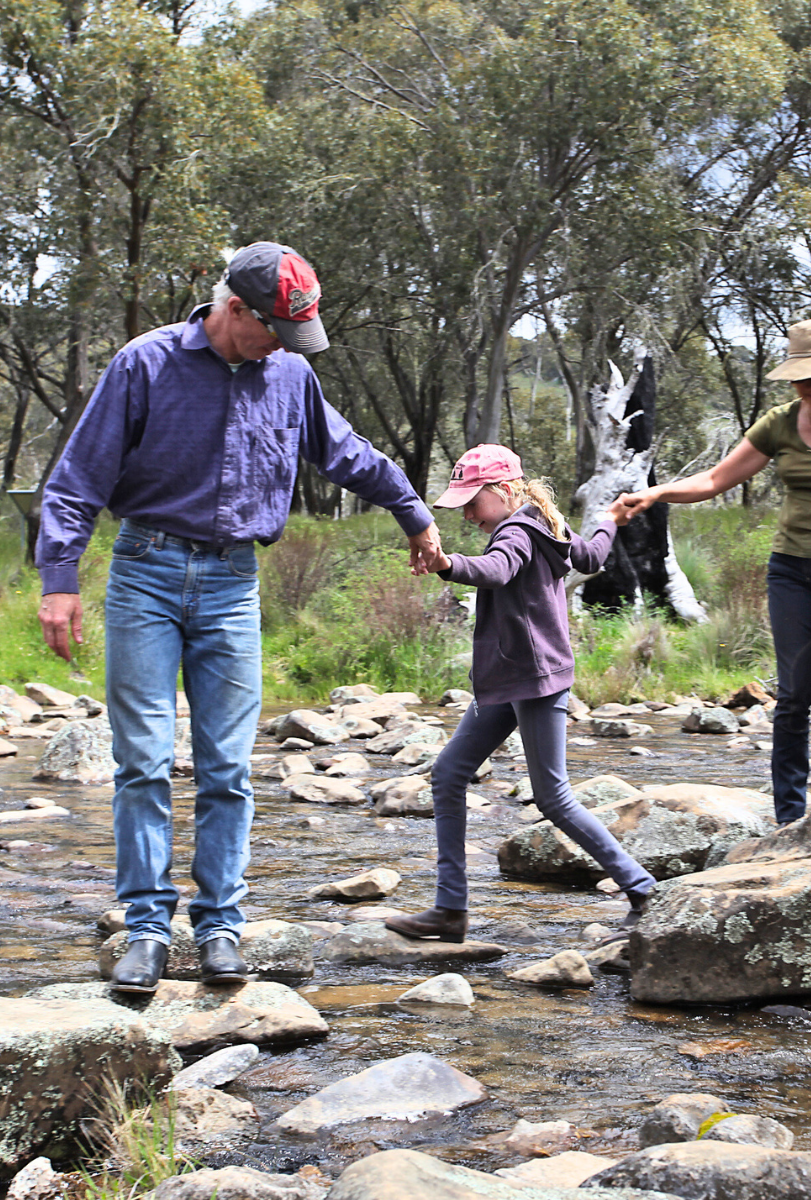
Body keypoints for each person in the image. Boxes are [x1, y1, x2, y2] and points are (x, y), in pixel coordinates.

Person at [36, 242, 442, 993]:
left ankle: (220, 923)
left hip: (232, 582)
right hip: (145, 573)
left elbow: (345, 452)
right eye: (274, 331)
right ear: (235, 311)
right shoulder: (144, 364)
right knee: (144, 762)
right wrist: (59, 578)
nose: (284, 347)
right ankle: (147, 929)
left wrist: (412, 512)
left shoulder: (289, 373)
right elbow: (76, 479)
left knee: (227, 766)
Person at [617, 319, 811, 825]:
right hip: (791, 570)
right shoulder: (779, 423)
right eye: (799, 378)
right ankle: (789, 817)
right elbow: (717, 479)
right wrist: (657, 493)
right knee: (792, 695)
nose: (807, 387)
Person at [386, 445, 657, 943]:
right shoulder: (546, 524)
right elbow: (593, 556)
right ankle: (450, 910)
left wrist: (447, 563)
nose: (467, 513)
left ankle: (642, 888)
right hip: (510, 678)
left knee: (553, 798)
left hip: (533, 681)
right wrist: (610, 518)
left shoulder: (515, 531)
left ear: (505, 490)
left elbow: (497, 570)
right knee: (448, 774)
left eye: (472, 500)